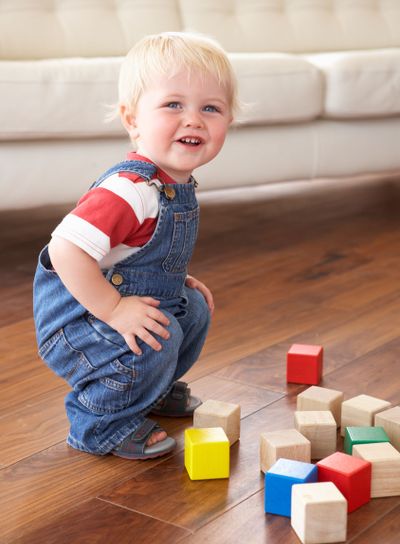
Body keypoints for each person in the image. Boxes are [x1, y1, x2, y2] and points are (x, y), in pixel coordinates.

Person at [33, 32, 238, 460]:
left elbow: (140, 253)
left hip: (119, 298)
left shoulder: (175, 182)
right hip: (78, 322)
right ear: (132, 120)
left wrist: (175, 278)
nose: (194, 119)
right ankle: (99, 422)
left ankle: (148, 392)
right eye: (173, 105)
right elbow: (64, 251)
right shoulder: (129, 189)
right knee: (156, 340)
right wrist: (113, 309)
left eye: (211, 108)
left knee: (192, 309)